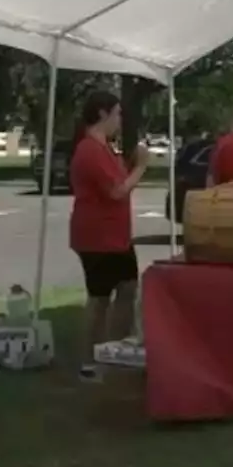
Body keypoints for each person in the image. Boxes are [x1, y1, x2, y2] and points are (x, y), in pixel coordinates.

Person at [68, 90, 150, 382]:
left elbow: (117, 181)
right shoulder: (90, 149)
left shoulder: (105, 148)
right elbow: (116, 191)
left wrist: (129, 166)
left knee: (128, 288)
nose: (120, 120)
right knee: (100, 298)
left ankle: (115, 350)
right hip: (97, 237)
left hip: (116, 237)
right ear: (102, 114)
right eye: (117, 113)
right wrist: (141, 166)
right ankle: (90, 360)